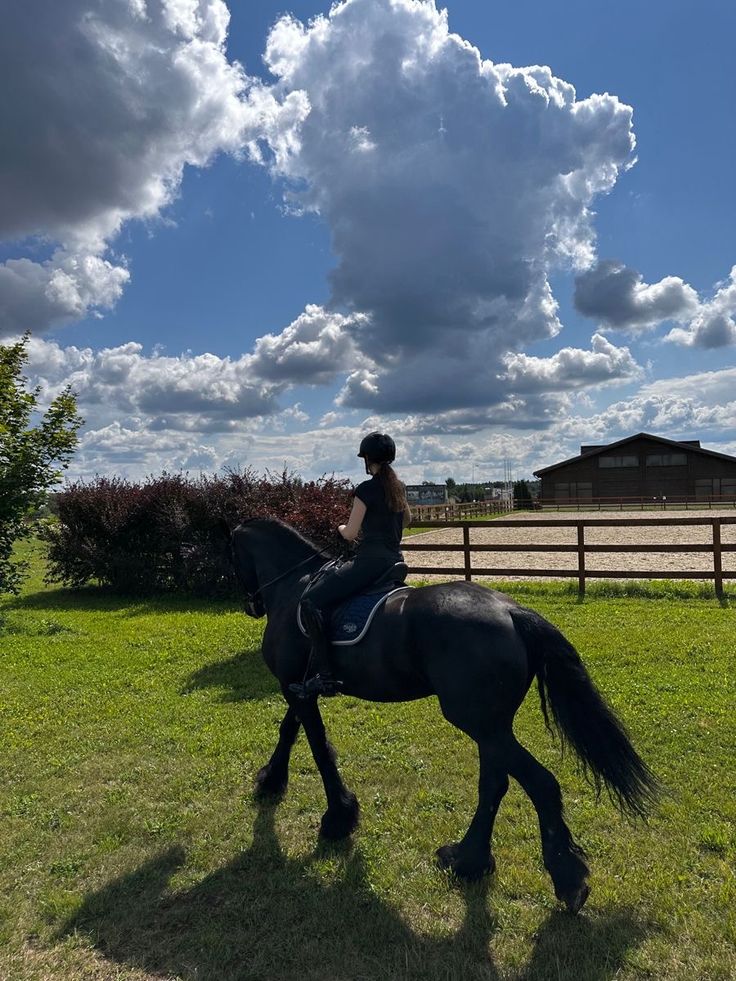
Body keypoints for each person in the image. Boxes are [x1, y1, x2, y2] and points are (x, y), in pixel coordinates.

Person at [289, 432, 411, 698]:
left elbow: (351, 532)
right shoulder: (398, 488)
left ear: (367, 459)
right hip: (395, 560)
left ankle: (325, 676)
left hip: (368, 562)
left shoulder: (366, 489)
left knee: (310, 600)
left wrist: (340, 527)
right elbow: (406, 521)